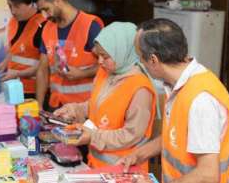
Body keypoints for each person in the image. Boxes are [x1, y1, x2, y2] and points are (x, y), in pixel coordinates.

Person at [117, 18, 229, 183]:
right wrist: (139, 154)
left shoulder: (200, 100)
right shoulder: (178, 85)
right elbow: (175, 137)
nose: (140, 64)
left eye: (140, 58)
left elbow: (208, 175)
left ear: (153, 60)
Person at [54, 22, 156, 171]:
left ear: (122, 52)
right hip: (96, 165)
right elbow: (96, 105)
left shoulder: (140, 89)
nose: (100, 61)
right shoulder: (105, 72)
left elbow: (131, 135)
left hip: (124, 170)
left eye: (105, 56)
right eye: (98, 56)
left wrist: (93, 137)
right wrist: (74, 110)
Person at [34, 0, 103, 110]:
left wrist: (82, 73)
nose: (44, 15)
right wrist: (39, 105)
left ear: (58, 1)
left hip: (84, 108)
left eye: (46, 9)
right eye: (41, 11)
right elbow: (42, 69)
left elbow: (109, 64)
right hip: (55, 107)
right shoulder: (47, 29)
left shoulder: (89, 26)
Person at [0, 0, 46, 99]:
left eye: (16, 6)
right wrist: (3, 64)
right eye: (9, 6)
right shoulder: (13, 21)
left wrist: (18, 73)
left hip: (33, 91)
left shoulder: (43, 26)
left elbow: (46, 65)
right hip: (13, 87)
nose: (12, 11)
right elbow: (14, 49)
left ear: (29, 3)